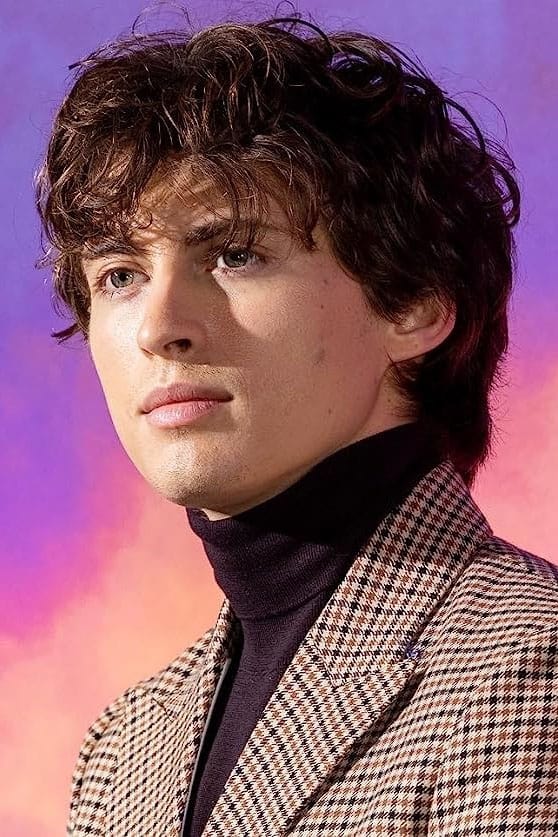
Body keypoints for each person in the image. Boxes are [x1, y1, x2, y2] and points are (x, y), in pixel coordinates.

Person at [35, 12, 558, 837]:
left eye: (235, 254)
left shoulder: (529, 666)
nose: (158, 326)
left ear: (414, 303)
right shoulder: (124, 746)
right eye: (121, 274)